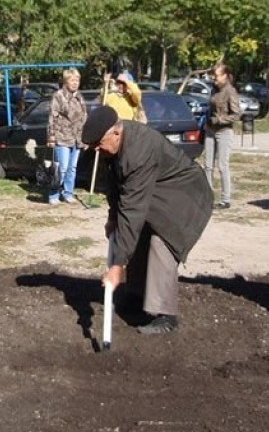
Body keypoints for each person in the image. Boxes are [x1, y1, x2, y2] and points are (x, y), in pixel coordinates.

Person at [83, 105, 212, 335]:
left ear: (115, 133)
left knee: (162, 239)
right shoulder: (109, 149)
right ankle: (137, 295)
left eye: (98, 143)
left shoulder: (139, 150)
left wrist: (117, 266)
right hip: (158, 191)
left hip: (186, 194)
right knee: (137, 231)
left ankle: (165, 315)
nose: (95, 150)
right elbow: (114, 186)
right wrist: (112, 217)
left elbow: (132, 210)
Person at [46, 68, 87, 205]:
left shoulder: (79, 97)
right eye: (72, 80)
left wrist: (86, 138)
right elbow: (52, 117)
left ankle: (68, 193)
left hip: (77, 138)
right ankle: (53, 194)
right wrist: (51, 137)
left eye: (77, 80)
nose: (75, 83)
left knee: (72, 168)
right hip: (62, 137)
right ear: (65, 81)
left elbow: (84, 117)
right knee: (61, 168)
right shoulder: (58, 96)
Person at [204, 64, 240, 210]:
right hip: (210, 130)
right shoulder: (214, 89)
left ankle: (225, 200)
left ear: (225, 76)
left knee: (222, 166)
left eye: (217, 75)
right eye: (213, 75)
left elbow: (237, 115)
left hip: (224, 131)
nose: (214, 78)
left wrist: (220, 120)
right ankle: (207, 197)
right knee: (207, 165)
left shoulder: (230, 91)